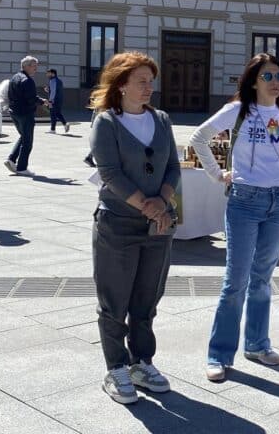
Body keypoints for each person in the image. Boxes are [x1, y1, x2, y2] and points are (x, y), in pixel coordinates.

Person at [189, 53, 279, 383]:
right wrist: (217, 174)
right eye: (267, 76)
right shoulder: (238, 110)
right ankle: (219, 354)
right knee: (235, 282)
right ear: (253, 80)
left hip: (278, 203)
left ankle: (257, 344)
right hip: (245, 202)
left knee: (263, 278)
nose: (275, 82)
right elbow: (199, 138)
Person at [89, 52, 181, 405]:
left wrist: (163, 202)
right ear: (122, 84)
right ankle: (116, 367)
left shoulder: (161, 120)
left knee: (147, 299)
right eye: (141, 81)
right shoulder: (107, 122)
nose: (148, 87)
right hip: (118, 223)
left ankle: (142, 362)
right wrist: (148, 204)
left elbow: (172, 166)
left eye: (150, 81)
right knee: (114, 301)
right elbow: (110, 173)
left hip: (159, 226)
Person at [5, 56, 47, 176]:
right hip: (25, 113)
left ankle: (11, 159)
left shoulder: (14, 78)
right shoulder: (27, 80)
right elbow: (31, 99)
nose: (36, 69)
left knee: (23, 136)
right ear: (26, 66)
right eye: (34, 66)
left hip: (14, 112)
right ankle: (22, 168)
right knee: (27, 141)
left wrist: (41, 100)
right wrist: (41, 102)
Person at [45, 68, 71, 134]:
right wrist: (48, 90)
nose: (47, 75)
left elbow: (53, 92)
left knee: (53, 114)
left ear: (53, 74)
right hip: (59, 100)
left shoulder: (52, 81)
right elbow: (56, 90)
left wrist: (50, 101)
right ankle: (60, 126)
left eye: (48, 73)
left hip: (54, 100)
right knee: (56, 113)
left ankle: (55, 128)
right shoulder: (59, 81)